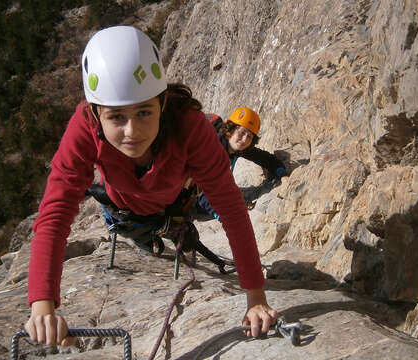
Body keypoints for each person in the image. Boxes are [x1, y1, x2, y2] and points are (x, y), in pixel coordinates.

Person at [25, 26, 278, 347]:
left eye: (144, 111)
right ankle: (155, 240)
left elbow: (229, 206)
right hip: (126, 213)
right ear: (95, 114)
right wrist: (43, 306)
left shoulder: (190, 127)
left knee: (185, 242)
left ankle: (165, 237)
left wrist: (255, 297)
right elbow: (56, 211)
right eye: (116, 117)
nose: (132, 130)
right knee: (149, 238)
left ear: (161, 101)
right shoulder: (84, 128)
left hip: (174, 207)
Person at [197, 107, 288, 218]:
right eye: (242, 132)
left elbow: (267, 159)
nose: (244, 139)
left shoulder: (237, 147)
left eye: (249, 136)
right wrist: (223, 215)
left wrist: (283, 175)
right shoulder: (211, 147)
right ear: (230, 130)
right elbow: (203, 191)